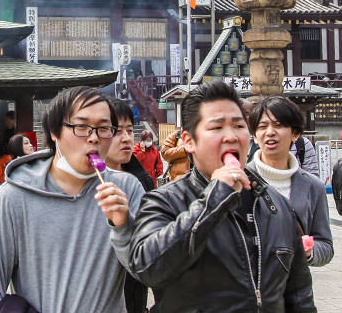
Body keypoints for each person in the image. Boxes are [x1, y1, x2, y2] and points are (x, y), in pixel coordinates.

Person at [129, 81, 316, 311]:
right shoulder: (164, 202)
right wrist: (216, 198)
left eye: (239, 126)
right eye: (217, 128)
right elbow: (148, 267)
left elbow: (300, 297)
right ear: (189, 141)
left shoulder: (274, 205)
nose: (231, 136)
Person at [0, 87, 143, 312]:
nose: (94, 138)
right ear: (54, 131)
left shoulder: (127, 189)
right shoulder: (14, 197)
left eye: (104, 128)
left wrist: (124, 226)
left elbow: (146, 271)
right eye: (81, 127)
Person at [247, 96, 333, 267]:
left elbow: (326, 246)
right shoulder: (240, 181)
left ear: (295, 134)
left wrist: (309, 251)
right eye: (263, 126)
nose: (270, 132)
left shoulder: (313, 187)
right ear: (255, 137)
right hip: (247, 286)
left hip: (293, 288)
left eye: (278, 125)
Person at [105, 98, 153, 313]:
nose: (126, 138)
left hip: (133, 289)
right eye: (117, 131)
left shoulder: (142, 181)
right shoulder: (84, 181)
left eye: (129, 130)